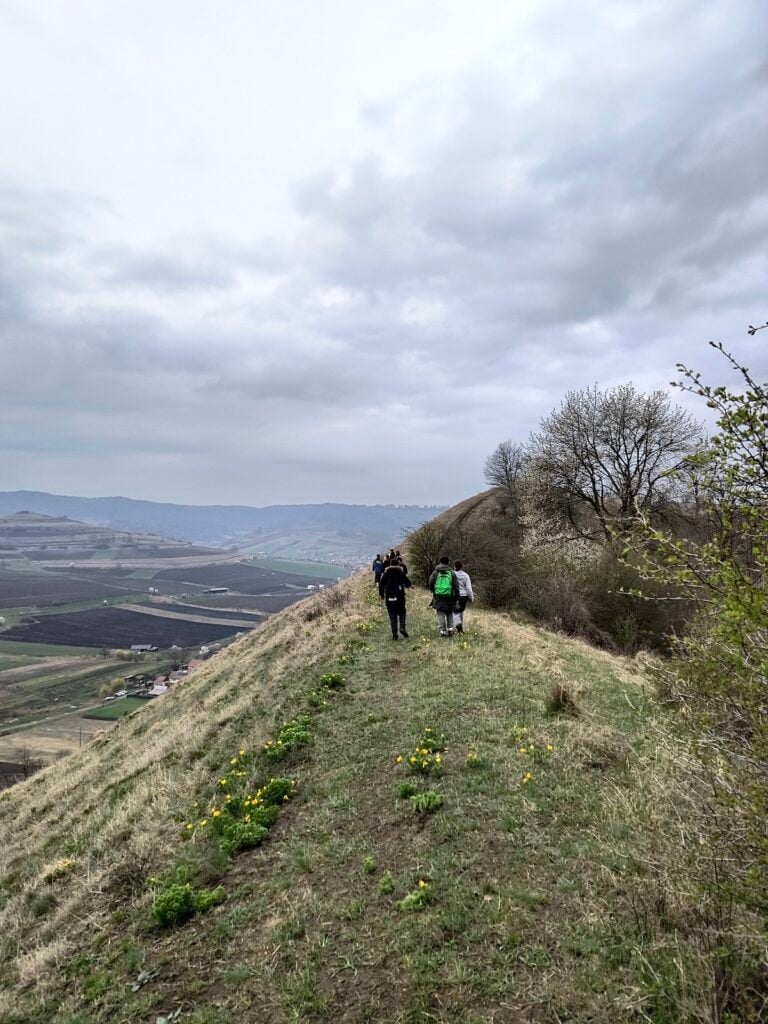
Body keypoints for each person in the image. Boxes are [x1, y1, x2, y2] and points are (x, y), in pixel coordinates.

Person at [379, 557, 411, 639]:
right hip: (400, 597)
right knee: (402, 612)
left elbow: (381, 585)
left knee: (392, 615)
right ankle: (402, 627)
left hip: (389, 597)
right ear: (398, 564)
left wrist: (382, 595)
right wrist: (405, 585)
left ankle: (394, 634)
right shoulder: (401, 573)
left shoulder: (386, 574)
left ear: (390, 565)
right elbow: (408, 583)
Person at [428, 556, 460, 637]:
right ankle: (450, 630)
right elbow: (456, 587)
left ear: (440, 562)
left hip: (438, 596)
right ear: (448, 563)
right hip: (450, 596)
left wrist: (434, 591)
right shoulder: (452, 573)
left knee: (440, 613)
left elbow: (430, 583)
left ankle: (442, 631)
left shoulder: (436, 572)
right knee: (449, 613)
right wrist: (456, 598)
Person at [453, 560, 474, 634]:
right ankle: (461, 630)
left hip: (455, 595)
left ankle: (458, 627)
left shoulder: (452, 575)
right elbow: (468, 588)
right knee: (461, 612)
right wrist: (471, 597)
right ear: (462, 567)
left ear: (454, 566)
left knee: (455, 612)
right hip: (463, 596)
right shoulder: (466, 575)